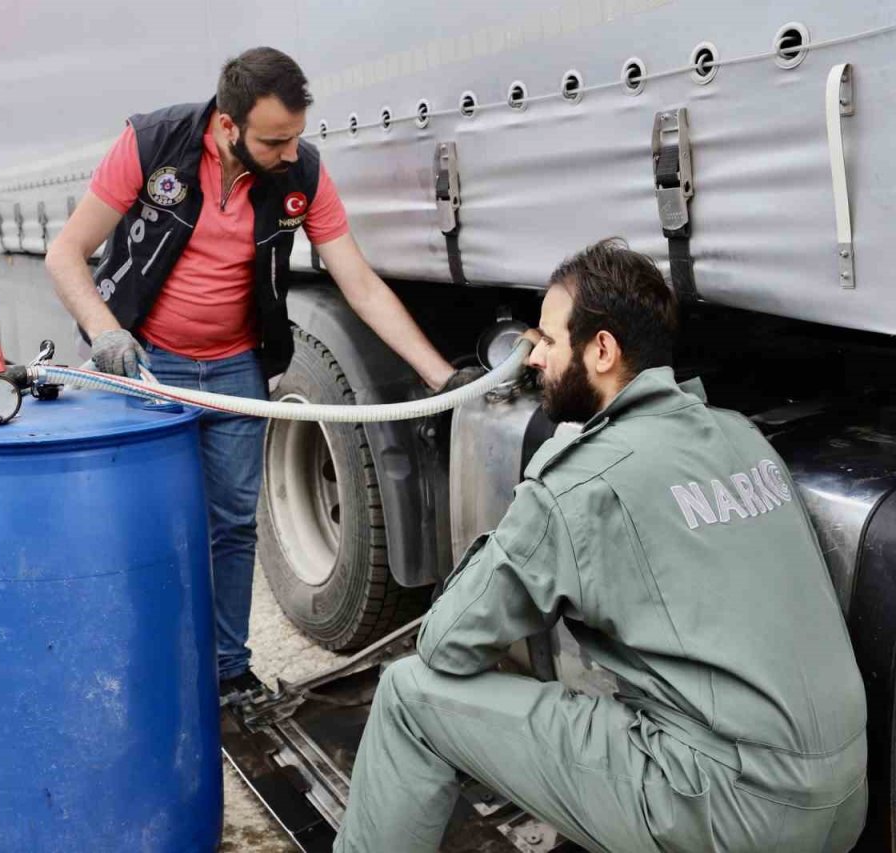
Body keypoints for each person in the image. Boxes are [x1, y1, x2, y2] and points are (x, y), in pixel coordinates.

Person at [335, 239, 868, 852]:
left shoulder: (583, 479)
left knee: (408, 694)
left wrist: (531, 508)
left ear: (603, 350)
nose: (534, 359)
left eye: (548, 340)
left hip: (723, 810)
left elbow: (446, 644)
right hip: (840, 803)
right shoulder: (739, 434)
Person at [45, 46, 473, 696]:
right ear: (225, 126)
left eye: (296, 137)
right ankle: (149, 670)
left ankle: (227, 670)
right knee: (148, 526)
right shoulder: (153, 143)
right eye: (274, 140)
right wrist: (105, 332)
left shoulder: (299, 171)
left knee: (233, 524)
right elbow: (66, 253)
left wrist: (442, 378)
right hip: (151, 365)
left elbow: (358, 282)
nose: (288, 152)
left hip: (236, 369)